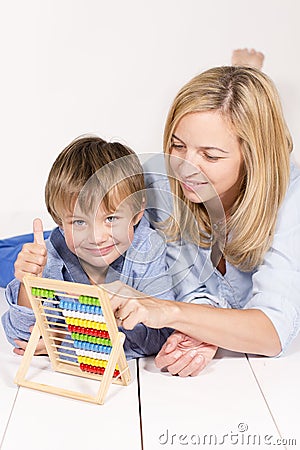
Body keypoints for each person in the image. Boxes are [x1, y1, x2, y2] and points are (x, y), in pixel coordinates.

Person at [103, 48, 300, 377]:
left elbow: (272, 333)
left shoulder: (290, 199)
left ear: (252, 158)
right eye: (178, 146)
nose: (184, 167)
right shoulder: (158, 180)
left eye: (210, 155)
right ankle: (243, 75)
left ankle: (248, 73)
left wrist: (174, 314)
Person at [1, 135, 174, 358]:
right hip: (58, 246)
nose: (97, 237)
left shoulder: (150, 248)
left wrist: (65, 342)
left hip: (79, 244)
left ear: (137, 214)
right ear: (60, 221)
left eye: (111, 219)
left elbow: (159, 337)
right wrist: (27, 283)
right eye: (79, 221)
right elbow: (20, 337)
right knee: (10, 261)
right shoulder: (52, 253)